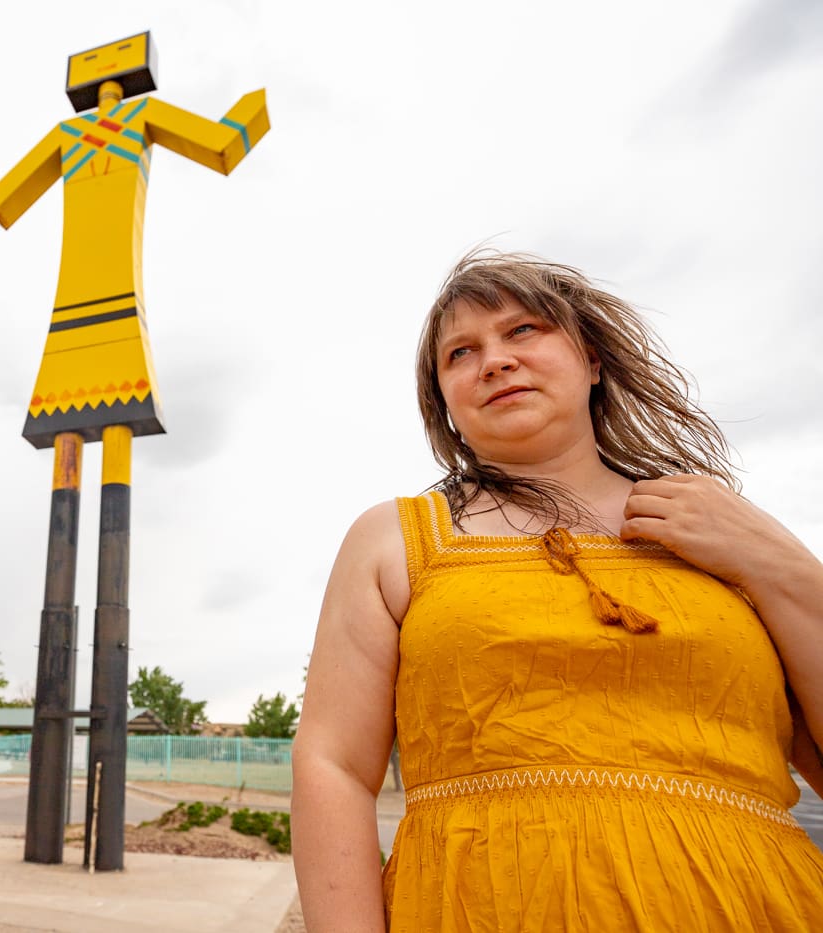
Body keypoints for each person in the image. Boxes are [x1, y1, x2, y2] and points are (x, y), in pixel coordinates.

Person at [292, 251, 823, 931]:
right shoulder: (394, 541)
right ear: (446, 405)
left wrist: (780, 562)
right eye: (461, 353)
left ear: (592, 359)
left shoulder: (719, 531)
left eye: (523, 330)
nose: (494, 360)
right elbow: (332, 764)